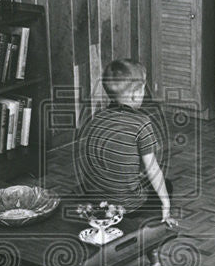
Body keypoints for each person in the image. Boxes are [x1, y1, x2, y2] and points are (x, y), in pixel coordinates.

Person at [75, 59, 178, 228]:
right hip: (127, 207)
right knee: (167, 184)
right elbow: (152, 170)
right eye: (144, 88)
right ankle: (143, 222)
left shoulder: (97, 118)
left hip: (96, 199)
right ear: (135, 94)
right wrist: (166, 207)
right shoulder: (142, 123)